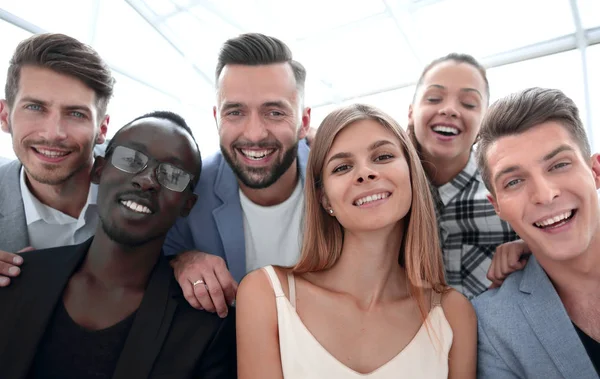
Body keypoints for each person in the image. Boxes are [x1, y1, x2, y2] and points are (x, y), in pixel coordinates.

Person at [236, 104, 476, 378]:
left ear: (412, 174)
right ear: (325, 199)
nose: (365, 172)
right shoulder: (267, 294)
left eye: (383, 156)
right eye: (342, 167)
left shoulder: (453, 313)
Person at [0, 111, 236, 379]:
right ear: (99, 170)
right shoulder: (14, 281)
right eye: (131, 159)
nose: (147, 180)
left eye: (172, 174)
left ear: (187, 204)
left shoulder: (207, 328)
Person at [164, 33, 311, 318]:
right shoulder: (191, 189)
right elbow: (155, 254)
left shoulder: (336, 180)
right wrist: (182, 261)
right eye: (235, 112)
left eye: (275, 112)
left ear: (303, 122)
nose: (254, 133)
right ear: (217, 119)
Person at [472, 87, 600, 378]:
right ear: (497, 206)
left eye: (559, 165)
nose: (544, 195)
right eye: (514, 182)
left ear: (595, 171)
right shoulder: (492, 326)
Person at [0, 32, 114, 286]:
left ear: (102, 129)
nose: (53, 134)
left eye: (76, 113)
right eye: (35, 107)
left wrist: (184, 259)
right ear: (5, 116)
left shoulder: (143, 181)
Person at [407, 53, 520, 298]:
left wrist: (532, 245)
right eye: (434, 98)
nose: (449, 110)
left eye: (468, 104)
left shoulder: (508, 193)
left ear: (485, 121)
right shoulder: (389, 189)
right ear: (411, 113)